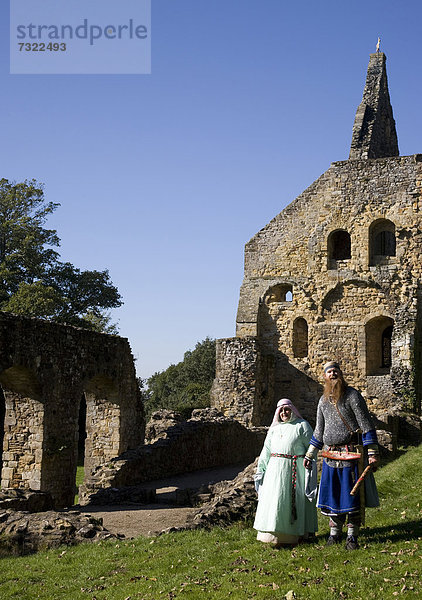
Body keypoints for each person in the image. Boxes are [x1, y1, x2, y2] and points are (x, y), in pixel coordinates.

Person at [304, 361, 380, 550]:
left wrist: (372, 452)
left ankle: (352, 537)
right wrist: (310, 454)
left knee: (352, 498)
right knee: (333, 497)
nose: (333, 374)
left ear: (341, 373)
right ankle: (334, 534)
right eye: (329, 372)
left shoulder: (353, 396)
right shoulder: (322, 401)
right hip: (330, 456)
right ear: (324, 377)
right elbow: (319, 431)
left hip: (351, 454)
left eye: (335, 371)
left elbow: (366, 424)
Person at [253, 398, 318, 547]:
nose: (284, 413)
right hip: (274, 471)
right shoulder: (274, 429)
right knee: (275, 501)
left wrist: (308, 459)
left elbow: (312, 447)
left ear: (292, 410)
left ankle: (295, 536)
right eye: (281, 410)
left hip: (294, 469)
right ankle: (272, 536)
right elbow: (266, 451)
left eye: (286, 409)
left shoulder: (302, 426)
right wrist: (260, 470)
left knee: (291, 501)